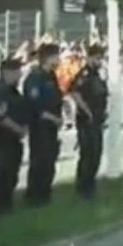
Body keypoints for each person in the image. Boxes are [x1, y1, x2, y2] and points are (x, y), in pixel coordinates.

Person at [0, 58, 29, 216]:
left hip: (14, 136)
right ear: (6, 72)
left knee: (11, 170)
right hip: (2, 135)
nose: (20, 74)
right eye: (16, 71)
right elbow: (1, 117)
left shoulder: (13, 90)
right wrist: (18, 129)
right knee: (4, 170)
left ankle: (5, 202)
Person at [23, 43, 64, 206]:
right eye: (56, 56)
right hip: (40, 126)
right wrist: (53, 118)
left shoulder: (51, 76)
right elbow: (34, 105)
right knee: (40, 161)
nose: (59, 59)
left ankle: (45, 194)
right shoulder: (35, 77)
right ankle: (34, 196)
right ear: (48, 58)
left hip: (51, 126)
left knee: (49, 161)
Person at [69, 44, 108, 198]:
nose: (99, 61)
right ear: (90, 57)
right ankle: (83, 187)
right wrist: (87, 111)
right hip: (87, 120)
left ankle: (91, 184)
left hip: (97, 119)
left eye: (101, 58)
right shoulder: (84, 74)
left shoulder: (97, 75)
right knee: (87, 154)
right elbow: (74, 92)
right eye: (97, 58)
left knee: (96, 153)